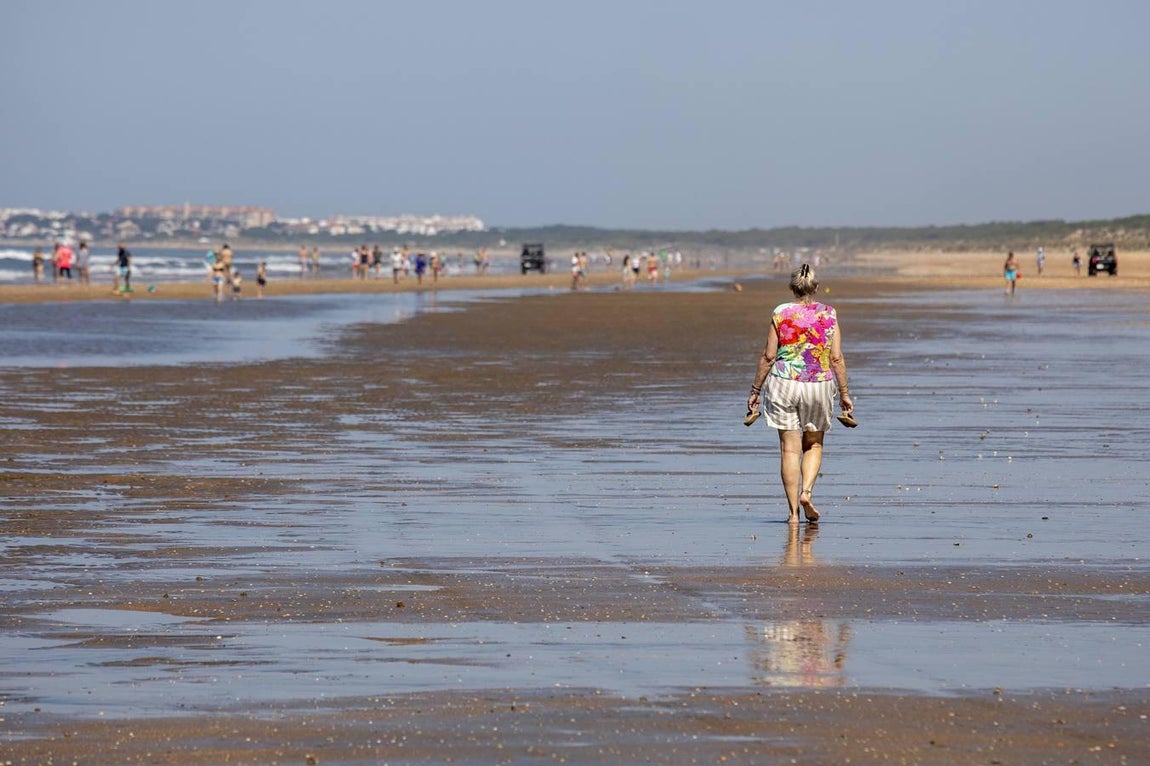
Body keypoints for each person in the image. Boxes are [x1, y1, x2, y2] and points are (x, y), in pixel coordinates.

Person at [746, 264, 853, 525]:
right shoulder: (829, 314)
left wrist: (755, 391)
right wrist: (845, 394)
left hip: (784, 383)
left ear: (792, 288)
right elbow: (836, 358)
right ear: (816, 287)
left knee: (789, 451)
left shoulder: (781, 312)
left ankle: (793, 514)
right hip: (818, 384)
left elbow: (769, 356)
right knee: (814, 443)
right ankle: (806, 494)